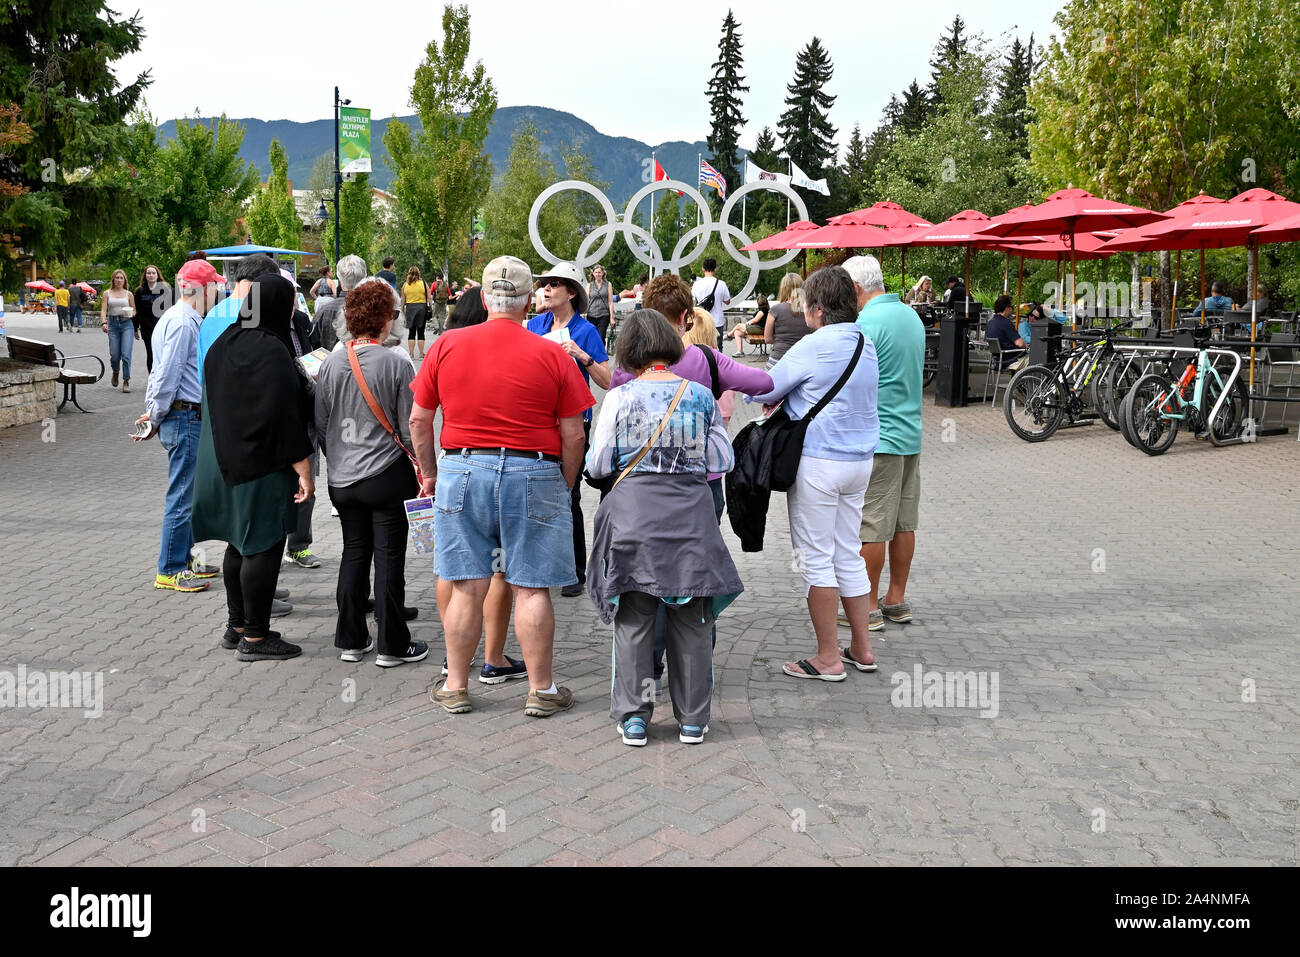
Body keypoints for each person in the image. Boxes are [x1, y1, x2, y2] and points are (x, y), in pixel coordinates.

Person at [410, 256, 591, 716]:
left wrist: (430, 474)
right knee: (532, 587)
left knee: (466, 583)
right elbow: (574, 433)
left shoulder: (446, 345)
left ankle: (455, 685)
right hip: (535, 470)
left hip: (463, 469)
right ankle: (541, 690)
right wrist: (563, 483)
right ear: (530, 300)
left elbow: (420, 418)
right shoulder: (553, 352)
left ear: (484, 297)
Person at [587, 309, 742, 746]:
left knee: (634, 615)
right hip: (691, 517)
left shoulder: (619, 398)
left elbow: (598, 462)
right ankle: (692, 721)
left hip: (635, 517)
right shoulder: (699, 395)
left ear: (629, 348)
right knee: (693, 618)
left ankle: (635, 718)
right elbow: (721, 461)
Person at [748, 266, 880, 682]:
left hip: (819, 464)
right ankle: (862, 647)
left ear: (818, 309)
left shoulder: (813, 345)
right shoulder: (866, 342)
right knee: (848, 551)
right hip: (860, 461)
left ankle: (827, 658)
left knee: (816, 560)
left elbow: (764, 388)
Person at [192, 274, 315, 661]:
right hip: (262, 465)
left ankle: (238, 626)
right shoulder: (272, 349)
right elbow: (282, 417)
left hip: (223, 462)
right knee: (262, 547)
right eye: (290, 303)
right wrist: (304, 469)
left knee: (238, 544)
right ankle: (258, 639)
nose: (293, 310)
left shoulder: (224, 342)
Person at [315, 279, 428, 668]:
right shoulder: (397, 362)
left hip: (342, 479)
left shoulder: (331, 362)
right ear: (384, 319)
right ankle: (392, 644)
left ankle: (351, 639)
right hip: (384, 475)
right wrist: (425, 470)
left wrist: (339, 458)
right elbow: (410, 424)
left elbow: (322, 422)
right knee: (389, 557)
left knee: (353, 553)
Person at [134, 258, 225, 593]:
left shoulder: (178, 317)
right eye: (214, 284)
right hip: (183, 415)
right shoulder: (185, 322)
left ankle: (184, 561)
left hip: (182, 414)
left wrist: (154, 412)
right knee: (182, 496)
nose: (217, 289)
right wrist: (155, 414)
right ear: (201, 289)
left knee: (187, 493)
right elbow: (168, 374)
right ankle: (170, 569)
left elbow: (162, 372)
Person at [845, 255, 924, 632]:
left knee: (872, 525)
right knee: (904, 522)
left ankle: (869, 604)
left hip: (881, 436)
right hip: (911, 433)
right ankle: (897, 597)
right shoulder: (911, 316)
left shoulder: (866, 323)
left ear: (857, 289)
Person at [526, 261, 610, 598]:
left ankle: (575, 571)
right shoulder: (534, 324)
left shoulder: (586, 331)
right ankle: (537, 564)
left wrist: (581, 355)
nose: (545, 289)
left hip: (575, 423)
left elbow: (608, 381)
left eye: (553, 284)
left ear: (571, 292)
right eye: (544, 284)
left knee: (569, 494)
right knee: (534, 492)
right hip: (538, 421)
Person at [764, 272, 811, 368]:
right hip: (804, 361)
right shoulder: (810, 310)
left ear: (783, 289)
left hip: (778, 360)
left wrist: (781, 340)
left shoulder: (775, 309)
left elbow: (767, 339)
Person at [101, 269, 136, 392]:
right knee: (115, 355)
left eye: (122, 278)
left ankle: (126, 380)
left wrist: (131, 314)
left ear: (124, 280)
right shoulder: (107, 293)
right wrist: (103, 322)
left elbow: (135, 310)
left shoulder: (129, 294)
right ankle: (115, 372)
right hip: (113, 325)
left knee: (126, 355)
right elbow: (104, 310)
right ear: (113, 280)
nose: (119, 280)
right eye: (117, 278)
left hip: (127, 325)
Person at [134, 265, 171, 373]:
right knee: (151, 352)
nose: (151, 275)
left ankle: (161, 377)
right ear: (145, 276)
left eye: (153, 273)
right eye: (148, 273)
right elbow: (137, 311)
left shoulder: (165, 290)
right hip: (146, 327)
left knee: (162, 353)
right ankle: (152, 378)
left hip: (162, 326)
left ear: (157, 275)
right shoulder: (140, 291)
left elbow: (170, 309)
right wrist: (135, 328)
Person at [692, 257, 732, 350]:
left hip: (701, 321)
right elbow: (727, 301)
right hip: (717, 322)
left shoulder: (697, 284)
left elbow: (693, 300)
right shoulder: (721, 284)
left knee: (701, 348)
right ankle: (717, 365)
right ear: (715, 269)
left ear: (703, 269)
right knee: (717, 348)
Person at [985, 295, 1027, 369]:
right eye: (1012, 307)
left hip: (996, 361)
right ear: (1007, 308)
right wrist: (1026, 346)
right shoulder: (1006, 323)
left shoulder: (990, 323)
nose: (1012, 309)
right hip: (1010, 360)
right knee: (1035, 358)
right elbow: (1020, 344)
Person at [401, 266, 430, 359]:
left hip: (410, 308)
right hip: (422, 308)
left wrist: (402, 309)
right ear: (419, 273)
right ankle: (421, 354)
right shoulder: (424, 283)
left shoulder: (405, 285)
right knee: (421, 332)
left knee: (411, 332)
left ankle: (411, 354)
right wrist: (431, 307)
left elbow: (403, 299)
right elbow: (429, 296)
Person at [585, 264, 614, 344]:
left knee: (601, 336)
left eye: (599, 272)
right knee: (592, 336)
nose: (598, 274)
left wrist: (612, 317)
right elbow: (586, 301)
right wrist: (583, 313)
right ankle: (593, 354)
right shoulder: (589, 285)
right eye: (596, 272)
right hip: (591, 314)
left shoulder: (608, 284)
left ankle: (601, 355)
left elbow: (610, 302)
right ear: (593, 274)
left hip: (604, 314)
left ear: (603, 273)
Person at [429, 271, 450, 337]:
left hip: (436, 302)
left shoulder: (434, 284)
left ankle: (436, 326)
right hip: (444, 303)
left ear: (437, 277)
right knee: (442, 316)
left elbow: (430, 292)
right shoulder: (445, 284)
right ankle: (440, 332)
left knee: (434, 315)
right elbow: (449, 294)